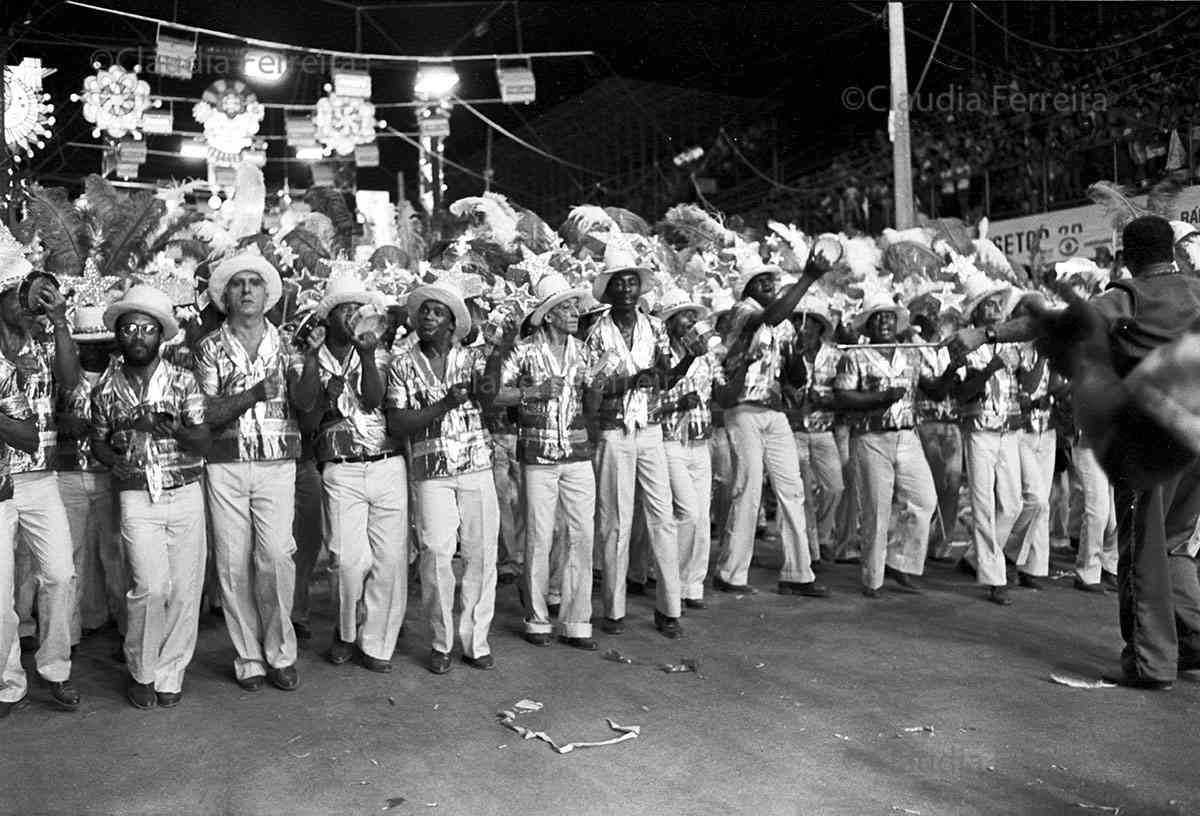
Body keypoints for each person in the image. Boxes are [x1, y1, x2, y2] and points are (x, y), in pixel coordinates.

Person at [949, 215, 1200, 689]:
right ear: (1171, 251)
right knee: (1174, 545)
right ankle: (1193, 640)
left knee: (1144, 550)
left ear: (1128, 256)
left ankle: (1151, 662)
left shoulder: (1129, 297)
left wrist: (983, 334)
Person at [194, 248, 321, 692]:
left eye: (254, 284)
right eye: (237, 284)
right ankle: (248, 656)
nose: (246, 291)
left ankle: (280, 652)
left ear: (268, 295)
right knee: (232, 562)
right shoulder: (209, 348)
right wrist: (252, 394)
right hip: (225, 464)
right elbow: (205, 413)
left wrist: (313, 360)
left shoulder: (288, 344)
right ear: (225, 295)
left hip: (278, 461)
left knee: (276, 556)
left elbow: (307, 405)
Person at [89, 285, 211, 709]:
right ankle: (142, 669)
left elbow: (203, 441)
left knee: (184, 590)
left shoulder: (184, 380)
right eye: (129, 329)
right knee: (149, 587)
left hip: (184, 491)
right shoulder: (105, 389)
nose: (137, 336)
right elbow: (98, 442)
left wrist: (174, 429)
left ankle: (170, 672)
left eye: (146, 328)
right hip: (136, 496)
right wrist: (113, 461)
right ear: (117, 336)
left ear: (161, 335)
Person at [584, 239, 697, 639]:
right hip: (613, 431)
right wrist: (633, 380)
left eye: (632, 282)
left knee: (662, 518)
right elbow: (592, 388)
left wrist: (688, 359)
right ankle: (613, 610)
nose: (627, 289)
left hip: (650, 429)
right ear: (609, 290)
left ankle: (669, 609)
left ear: (639, 287)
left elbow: (664, 379)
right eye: (620, 283)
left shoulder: (655, 328)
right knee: (615, 521)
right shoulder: (596, 333)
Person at [386, 278, 499, 674]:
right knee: (435, 553)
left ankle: (476, 641)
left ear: (453, 323)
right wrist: (445, 403)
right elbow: (398, 422)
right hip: (430, 470)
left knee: (480, 554)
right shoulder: (401, 364)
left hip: (476, 463)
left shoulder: (474, 359)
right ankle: (441, 640)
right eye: (424, 311)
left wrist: (498, 353)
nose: (429, 317)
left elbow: (488, 399)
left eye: (438, 312)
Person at [713, 247, 831, 598]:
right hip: (743, 408)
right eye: (760, 281)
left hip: (774, 410)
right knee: (748, 489)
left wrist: (797, 355)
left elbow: (794, 377)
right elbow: (769, 318)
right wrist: (808, 277)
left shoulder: (785, 324)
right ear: (746, 288)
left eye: (771, 280)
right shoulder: (742, 312)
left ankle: (798, 572)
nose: (768, 285)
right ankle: (730, 573)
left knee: (792, 490)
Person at [306, 274, 407, 674]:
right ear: (328, 317)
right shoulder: (310, 356)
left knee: (388, 560)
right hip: (341, 468)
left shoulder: (380, 354)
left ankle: (377, 641)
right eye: (343, 309)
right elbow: (308, 417)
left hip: (386, 462)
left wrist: (366, 355)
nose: (351, 316)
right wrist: (324, 393)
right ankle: (346, 630)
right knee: (347, 561)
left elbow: (373, 399)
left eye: (356, 309)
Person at [494, 271, 597, 650]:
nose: (576, 313)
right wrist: (533, 391)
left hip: (578, 453)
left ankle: (577, 620)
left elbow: (591, 405)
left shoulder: (583, 351)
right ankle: (537, 618)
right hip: (537, 456)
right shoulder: (523, 350)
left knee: (581, 534)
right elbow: (494, 394)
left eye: (576, 307)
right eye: (567, 307)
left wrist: (596, 387)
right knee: (540, 536)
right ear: (549, 314)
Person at [0, 249, 82, 711]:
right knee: (0, 593)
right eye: (19, 294)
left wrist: (61, 321)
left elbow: (70, 382)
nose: (30, 302)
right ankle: (7, 681)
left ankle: (55, 667)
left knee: (60, 574)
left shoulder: (45, 343)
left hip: (40, 477)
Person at [834, 293, 952, 597]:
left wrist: (953, 368)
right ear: (867, 325)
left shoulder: (911, 354)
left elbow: (935, 390)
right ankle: (872, 579)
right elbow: (843, 396)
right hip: (871, 437)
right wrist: (881, 398)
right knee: (876, 509)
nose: (885, 322)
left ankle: (900, 562)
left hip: (907, 436)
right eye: (878, 317)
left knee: (924, 500)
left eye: (889, 316)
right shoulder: (855, 356)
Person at [951, 277, 1028, 606]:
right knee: (983, 505)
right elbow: (962, 393)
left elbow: (1026, 384)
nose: (996, 308)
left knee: (1013, 504)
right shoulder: (963, 343)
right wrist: (991, 368)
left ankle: (976, 557)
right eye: (989, 304)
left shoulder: (1011, 342)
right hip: (979, 429)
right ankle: (994, 578)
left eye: (999, 303)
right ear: (976, 312)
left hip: (1008, 430)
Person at [56, 304, 123, 643]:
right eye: (86, 345)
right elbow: (45, 417)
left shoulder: (123, 375)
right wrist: (62, 423)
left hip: (110, 474)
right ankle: (69, 634)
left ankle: (128, 631)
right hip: (68, 472)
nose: (93, 351)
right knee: (69, 556)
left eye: (100, 344)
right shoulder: (60, 374)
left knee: (117, 553)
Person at [656, 289, 722, 610]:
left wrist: (744, 360)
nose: (691, 321)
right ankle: (672, 584)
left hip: (700, 440)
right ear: (669, 322)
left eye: (693, 315)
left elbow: (723, 391)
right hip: (670, 440)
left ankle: (692, 584)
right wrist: (676, 404)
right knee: (688, 513)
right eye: (684, 315)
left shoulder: (707, 354)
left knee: (702, 518)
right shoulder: (660, 354)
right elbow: (649, 398)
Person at [783, 295, 844, 565]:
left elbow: (845, 393)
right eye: (797, 321)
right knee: (802, 493)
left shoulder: (836, 356)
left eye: (807, 322)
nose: (801, 327)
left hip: (823, 429)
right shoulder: (786, 352)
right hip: (793, 429)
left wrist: (826, 399)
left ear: (819, 326)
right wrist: (788, 390)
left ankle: (821, 535)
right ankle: (810, 549)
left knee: (834, 488)